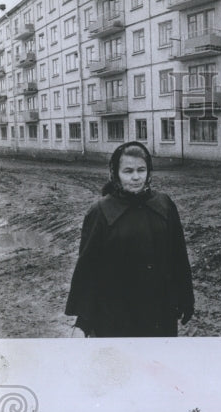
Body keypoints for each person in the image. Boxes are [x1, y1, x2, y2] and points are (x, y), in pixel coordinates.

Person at [65, 141, 195, 337]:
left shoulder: (164, 205)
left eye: (141, 170)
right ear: (115, 173)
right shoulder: (101, 212)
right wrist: (84, 320)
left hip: (159, 313)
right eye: (128, 171)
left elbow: (178, 256)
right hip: (115, 316)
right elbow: (88, 268)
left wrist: (186, 298)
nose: (136, 177)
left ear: (149, 171)